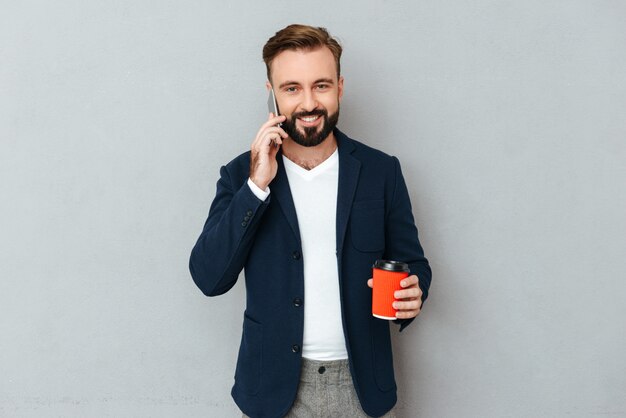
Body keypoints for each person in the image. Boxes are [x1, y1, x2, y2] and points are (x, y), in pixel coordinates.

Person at [189, 24, 432, 418]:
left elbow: (413, 263)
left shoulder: (380, 171)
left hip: (362, 388)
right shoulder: (241, 175)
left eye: (320, 85)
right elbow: (209, 277)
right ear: (271, 93)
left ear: (339, 86)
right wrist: (256, 187)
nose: (308, 103)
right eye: (291, 88)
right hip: (273, 390)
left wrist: (415, 291)